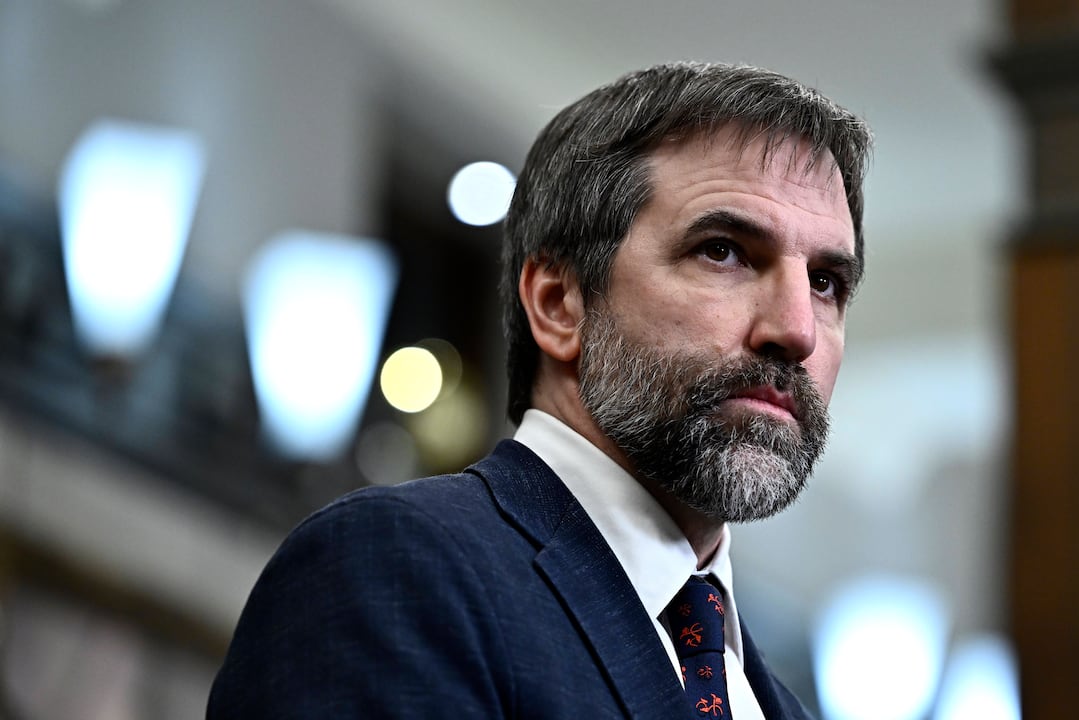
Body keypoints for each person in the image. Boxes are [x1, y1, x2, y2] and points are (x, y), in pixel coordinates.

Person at [207, 61, 870, 719]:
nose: (797, 330)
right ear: (559, 303)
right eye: (724, 250)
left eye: (826, 283)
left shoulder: (778, 705)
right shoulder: (394, 569)